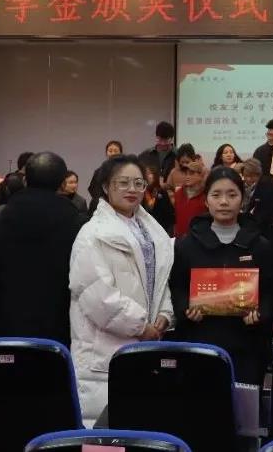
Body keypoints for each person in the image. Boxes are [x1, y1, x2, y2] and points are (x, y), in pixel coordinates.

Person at [69, 154, 174, 424]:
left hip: (146, 343)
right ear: (106, 187)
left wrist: (165, 313)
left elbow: (161, 279)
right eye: (123, 183)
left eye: (138, 183)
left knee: (140, 427)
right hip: (104, 349)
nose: (132, 189)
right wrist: (141, 326)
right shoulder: (91, 234)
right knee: (103, 432)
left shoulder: (151, 230)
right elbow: (97, 297)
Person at [170, 167, 273, 386]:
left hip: (247, 346)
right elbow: (177, 286)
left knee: (244, 405)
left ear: (243, 200)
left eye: (232, 194)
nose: (224, 202)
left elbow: (271, 291)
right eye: (216, 195)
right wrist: (186, 309)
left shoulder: (260, 246)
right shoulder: (187, 245)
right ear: (206, 200)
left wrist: (261, 313)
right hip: (200, 344)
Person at [0, 152, 84, 347]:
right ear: (62, 183)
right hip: (59, 316)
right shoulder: (76, 220)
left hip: (10, 312)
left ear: (25, 179)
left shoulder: (0, 215)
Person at [240, 158, 273, 234]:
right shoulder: (241, 186)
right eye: (246, 176)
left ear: (258, 174)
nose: (249, 179)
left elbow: (267, 213)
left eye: (252, 176)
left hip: (262, 229)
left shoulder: (268, 186)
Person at [173, 155, 208, 239]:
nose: (187, 177)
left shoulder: (207, 195)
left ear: (201, 176)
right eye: (186, 173)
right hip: (179, 239)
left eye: (191, 173)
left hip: (199, 239)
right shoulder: (178, 193)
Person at [88, 141, 124, 214]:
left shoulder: (126, 170)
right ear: (106, 153)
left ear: (121, 153)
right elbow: (92, 188)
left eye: (115, 151)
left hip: (121, 205)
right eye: (110, 151)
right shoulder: (99, 171)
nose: (113, 153)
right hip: (103, 206)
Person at [142, 165, 175, 236]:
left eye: (149, 173)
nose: (147, 176)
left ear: (155, 175)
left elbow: (170, 215)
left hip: (163, 229)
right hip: (147, 230)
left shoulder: (161, 192)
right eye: (145, 174)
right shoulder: (141, 193)